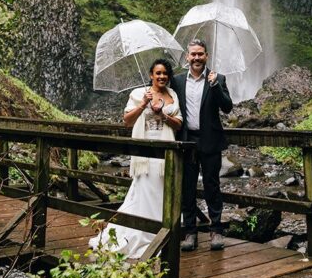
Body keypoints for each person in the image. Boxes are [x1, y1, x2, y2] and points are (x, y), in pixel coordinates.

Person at [89, 58, 182, 258]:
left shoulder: (173, 94)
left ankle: (161, 231)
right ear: (151, 75)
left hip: (167, 149)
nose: (162, 76)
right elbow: (127, 121)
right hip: (145, 150)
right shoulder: (139, 94)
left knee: (162, 190)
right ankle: (140, 233)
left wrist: (164, 115)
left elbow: (179, 124)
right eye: (158, 73)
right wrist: (144, 104)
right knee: (144, 189)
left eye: (165, 73)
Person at [171, 38, 233, 252]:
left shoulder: (218, 79)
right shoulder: (177, 81)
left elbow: (227, 107)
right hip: (187, 140)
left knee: (212, 185)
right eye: (193, 54)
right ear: (187, 57)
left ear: (206, 56)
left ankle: (216, 230)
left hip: (210, 140)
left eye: (200, 54)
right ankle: (190, 232)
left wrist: (215, 86)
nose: (197, 58)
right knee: (186, 187)